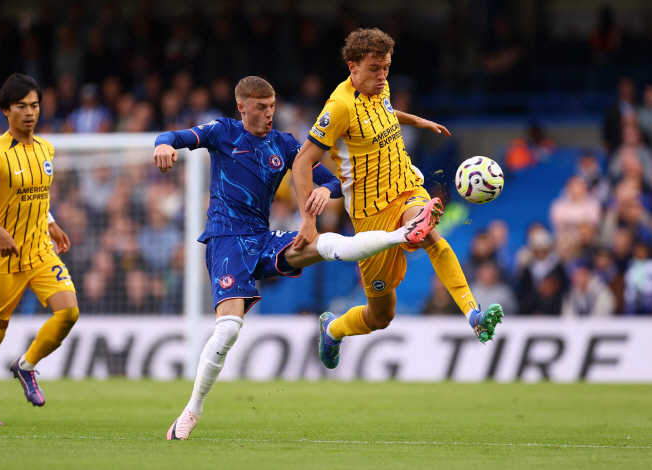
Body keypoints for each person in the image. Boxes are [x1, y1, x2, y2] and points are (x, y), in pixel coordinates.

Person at [153, 76, 432, 440]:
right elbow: (174, 137)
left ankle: (402, 235)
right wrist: (162, 145)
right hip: (227, 241)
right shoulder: (223, 132)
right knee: (228, 329)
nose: (270, 114)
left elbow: (332, 181)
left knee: (326, 244)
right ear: (242, 107)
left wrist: (321, 194)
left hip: (263, 238)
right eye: (261, 108)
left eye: (272, 106)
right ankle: (192, 410)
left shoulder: (283, 143)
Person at [290, 28, 504, 370]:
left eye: (386, 67)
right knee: (380, 316)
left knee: (429, 234)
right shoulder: (339, 107)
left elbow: (385, 111)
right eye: (375, 68)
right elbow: (302, 162)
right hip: (370, 215)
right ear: (352, 66)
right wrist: (307, 219)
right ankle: (332, 329)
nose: (382, 76)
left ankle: (472, 313)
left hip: (405, 187)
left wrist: (415, 120)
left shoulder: (381, 87)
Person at [0, 74, 79, 425]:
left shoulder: (46, 149)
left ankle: (26, 366)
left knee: (68, 313)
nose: (30, 113)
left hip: (40, 251)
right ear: (5, 111)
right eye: (21, 107)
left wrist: (52, 221)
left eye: (35, 105)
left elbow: (36, 197)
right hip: (3, 257)